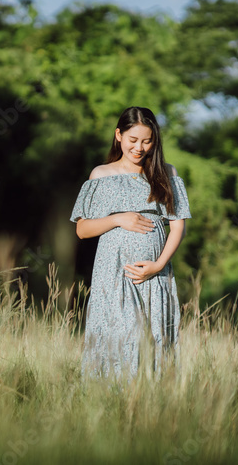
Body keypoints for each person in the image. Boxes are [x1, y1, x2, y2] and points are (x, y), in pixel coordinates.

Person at [70, 106, 191, 382]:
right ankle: (112, 403)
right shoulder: (102, 175)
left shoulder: (166, 174)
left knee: (154, 340)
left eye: (147, 141)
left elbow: (178, 226)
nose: (139, 148)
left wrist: (158, 265)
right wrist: (118, 219)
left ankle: (149, 410)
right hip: (114, 275)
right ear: (118, 136)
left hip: (155, 274)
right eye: (133, 140)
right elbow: (82, 229)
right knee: (124, 339)